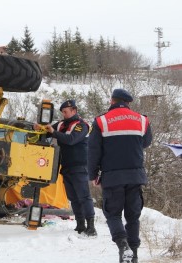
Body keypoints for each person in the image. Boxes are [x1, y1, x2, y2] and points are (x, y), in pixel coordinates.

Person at [88, 89, 152, 263]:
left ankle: (123, 246)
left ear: (112, 101)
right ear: (128, 103)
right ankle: (135, 255)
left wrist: (93, 174)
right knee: (133, 217)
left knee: (113, 214)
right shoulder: (142, 120)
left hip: (112, 178)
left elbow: (93, 151)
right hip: (135, 176)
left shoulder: (101, 121)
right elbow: (146, 142)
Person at [34, 99, 97, 237]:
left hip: (80, 166)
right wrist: (40, 128)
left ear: (74, 111)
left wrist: (53, 132)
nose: (63, 114)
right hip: (67, 166)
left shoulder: (81, 125)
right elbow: (48, 131)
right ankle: (80, 224)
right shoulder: (62, 124)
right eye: (62, 112)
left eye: (66, 112)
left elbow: (71, 140)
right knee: (73, 197)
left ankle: (91, 226)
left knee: (84, 197)